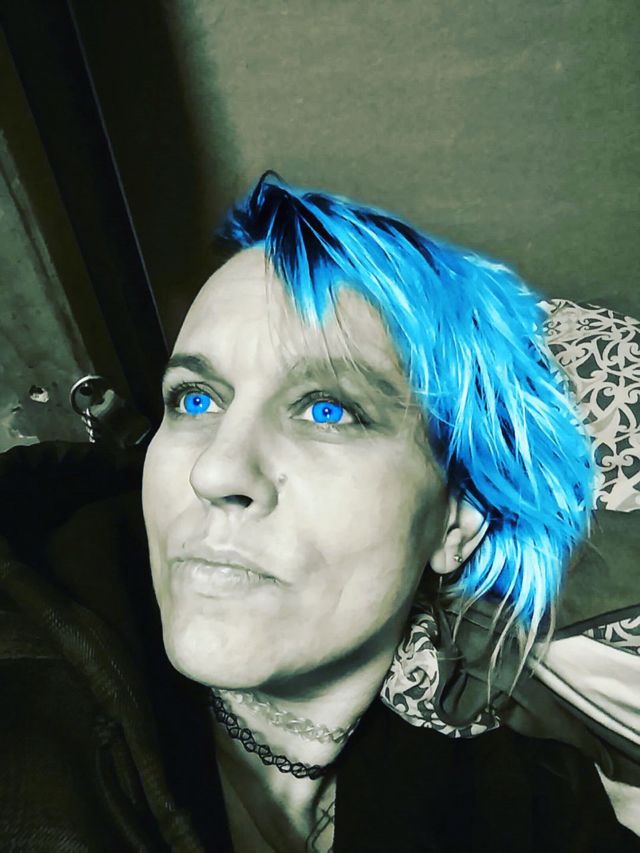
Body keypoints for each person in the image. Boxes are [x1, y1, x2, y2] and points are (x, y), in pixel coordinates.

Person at [1, 173, 638, 851]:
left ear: (457, 520)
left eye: (328, 410)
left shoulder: (527, 803)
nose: (213, 471)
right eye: (195, 399)